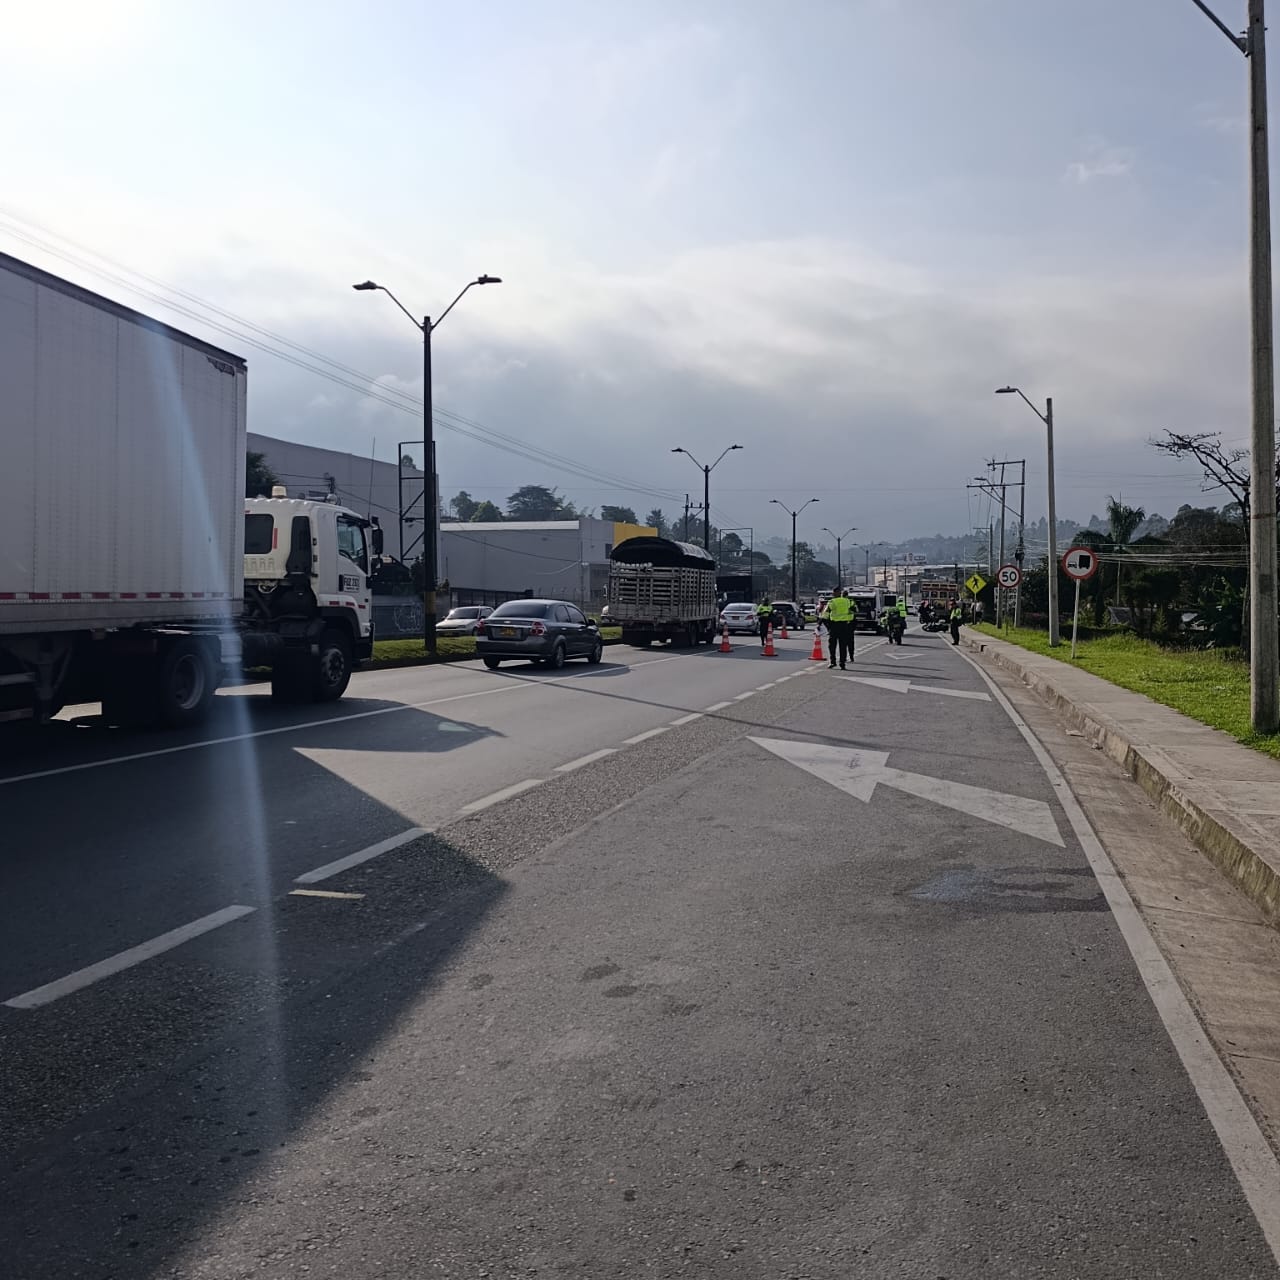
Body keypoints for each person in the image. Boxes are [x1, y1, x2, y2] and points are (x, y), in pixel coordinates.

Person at [821, 588, 855, 669]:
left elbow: (825, 615)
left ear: (835, 593)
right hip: (844, 626)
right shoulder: (847, 601)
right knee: (843, 646)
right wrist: (849, 621)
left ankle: (833, 662)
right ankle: (842, 663)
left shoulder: (832, 602)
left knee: (832, 645)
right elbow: (853, 611)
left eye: (833, 593)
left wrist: (827, 626)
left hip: (834, 626)